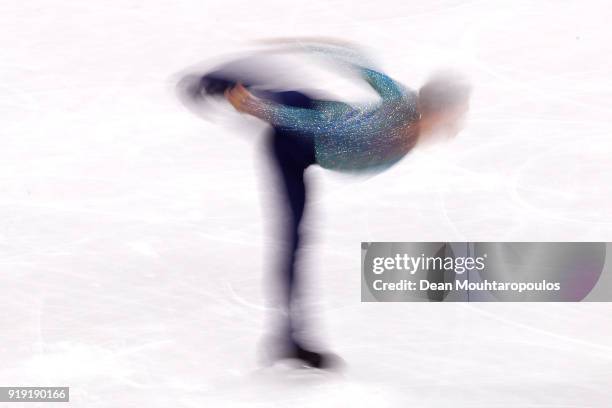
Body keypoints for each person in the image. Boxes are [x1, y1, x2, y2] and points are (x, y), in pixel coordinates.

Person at [179, 40, 471, 369]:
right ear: (436, 110)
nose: (456, 119)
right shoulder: (390, 128)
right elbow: (321, 127)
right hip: (294, 140)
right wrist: (260, 110)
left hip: (308, 119)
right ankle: (214, 83)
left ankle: (290, 340)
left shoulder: (406, 106)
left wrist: (309, 46)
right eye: (453, 113)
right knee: (292, 242)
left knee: (297, 240)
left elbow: (364, 68)